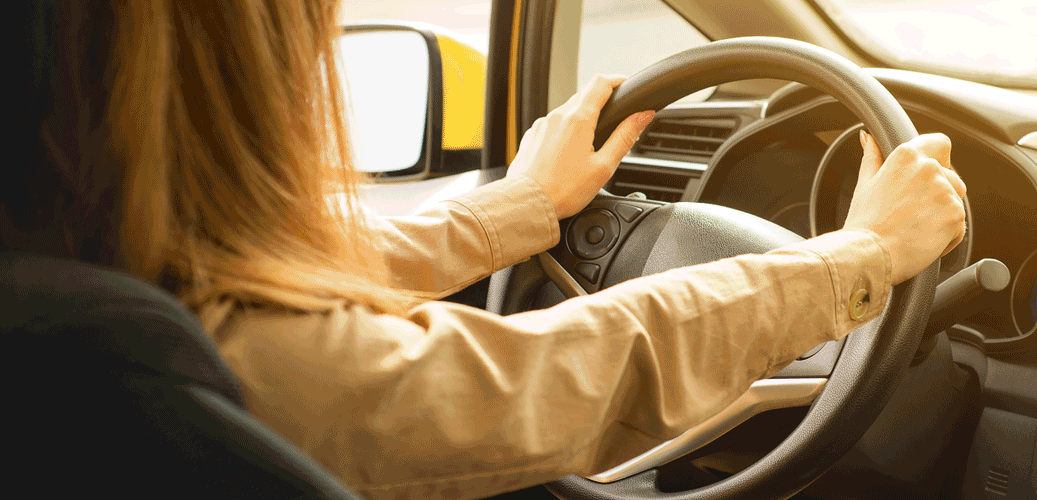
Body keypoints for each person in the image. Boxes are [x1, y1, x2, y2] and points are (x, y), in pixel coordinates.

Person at [10, 1, 966, 499]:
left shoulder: (64, 277)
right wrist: (862, 256)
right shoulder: (120, 361)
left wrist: (520, 208)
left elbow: (263, 276)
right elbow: (552, 375)